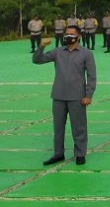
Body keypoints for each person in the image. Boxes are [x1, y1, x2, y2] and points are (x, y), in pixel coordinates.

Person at [33, 25, 96, 166]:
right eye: (66, 34)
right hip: (58, 95)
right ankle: (58, 153)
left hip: (77, 97)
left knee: (79, 127)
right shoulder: (58, 52)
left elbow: (92, 76)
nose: (68, 36)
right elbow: (37, 60)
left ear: (78, 36)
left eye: (71, 34)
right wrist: (41, 46)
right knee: (58, 127)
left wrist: (89, 95)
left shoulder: (86, 53)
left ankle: (80, 154)